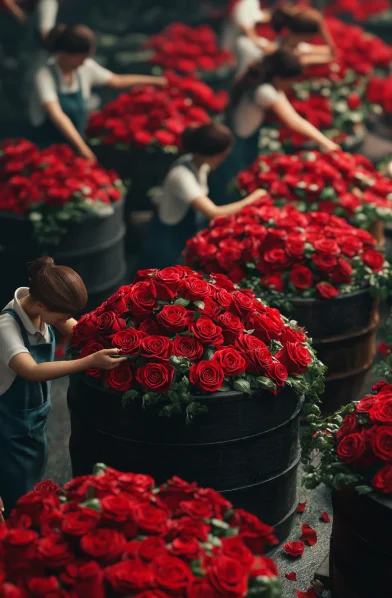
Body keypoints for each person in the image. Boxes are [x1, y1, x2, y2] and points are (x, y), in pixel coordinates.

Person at [0, 257, 127, 515]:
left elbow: (74, 328)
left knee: (35, 466)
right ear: (41, 304)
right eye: (61, 315)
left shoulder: (41, 307)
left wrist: (105, 337)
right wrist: (89, 361)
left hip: (34, 413)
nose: (64, 320)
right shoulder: (7, 326)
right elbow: (32, 370)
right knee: (16, 479)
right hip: (10, 419)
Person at [210, 49, 339, 205]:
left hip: (242, 136)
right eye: (290, 81)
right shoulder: (265, 92)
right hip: (240, 143)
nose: (291, 85)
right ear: (279, 77)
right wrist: (327, 143)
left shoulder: (262, 76)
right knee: (234, 189)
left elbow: (305, 60)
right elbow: (294, 121)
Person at [139, 122, 267, 269]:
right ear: (208, 153)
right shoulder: (181, 176)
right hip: (168, 240)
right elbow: (213, 213)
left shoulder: (199, 165)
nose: (222, 160)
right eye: (221, 155)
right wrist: (254, 197)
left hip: (183, 234)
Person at [28, 24, 166, 160]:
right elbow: (57, 115)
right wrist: (83, 149)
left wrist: (157, 81)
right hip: (46, 149)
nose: (83, 63)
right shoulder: (44, 75)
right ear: (64, 54)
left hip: (75, 145)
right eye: (80, 58)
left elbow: (117, 80)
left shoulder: (84, 68)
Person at [236, 4, 337, 76]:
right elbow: (332, 52)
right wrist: (329, 42)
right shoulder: (278, 51)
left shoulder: (297, 48)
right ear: (306, 36)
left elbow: (331, 51)